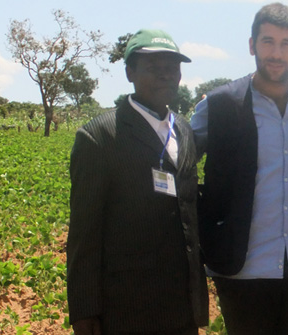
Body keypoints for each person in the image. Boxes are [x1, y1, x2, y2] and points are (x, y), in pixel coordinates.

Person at [190, 3, 288, 334]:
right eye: (267, 41)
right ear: (252, 44)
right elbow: (179, 161)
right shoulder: (219, 105)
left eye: (286, 44)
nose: (276, 53)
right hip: (242, 270)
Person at [67, 29, 208, 335]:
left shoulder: (183, 130)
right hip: (127, 307)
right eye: (153, 68)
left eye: (172, 68)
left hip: (182, 303)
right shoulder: (100, 136)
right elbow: (84, 233)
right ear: (130, 72)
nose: (165, 76)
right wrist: (84, 311)